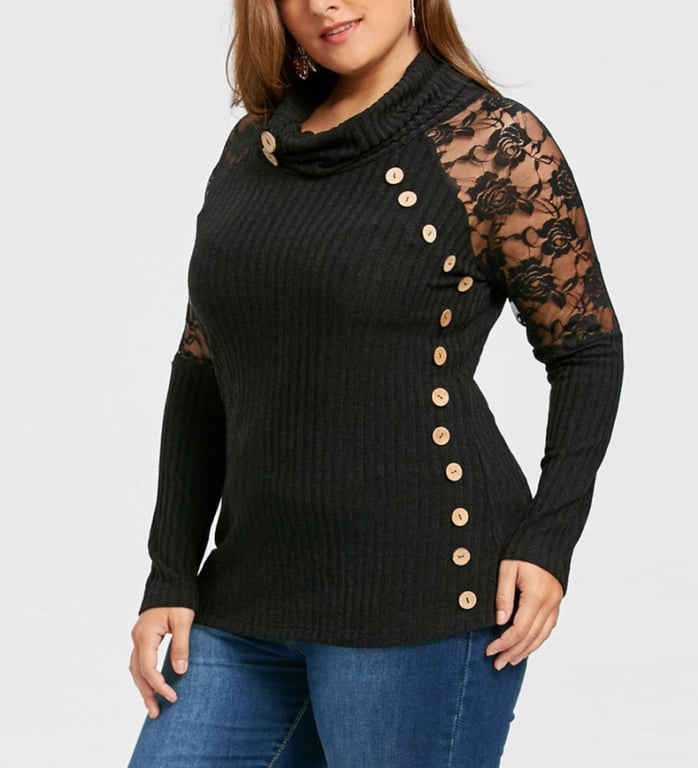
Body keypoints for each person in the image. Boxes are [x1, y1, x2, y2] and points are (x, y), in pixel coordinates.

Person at [127, 1, 623, 766]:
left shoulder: (490, 143)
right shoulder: (252, 148)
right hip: (248, 595)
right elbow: (202, 365)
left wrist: (549, 538)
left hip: (423, 597)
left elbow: (587, 348)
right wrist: (169, 571)